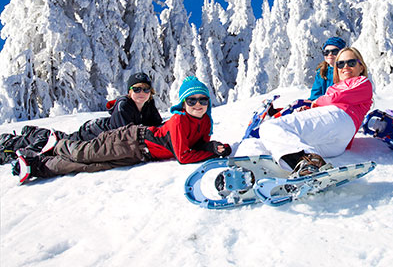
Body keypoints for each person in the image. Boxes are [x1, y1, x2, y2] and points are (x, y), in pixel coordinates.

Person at [13, 77, 231, 184]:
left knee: (90, 166)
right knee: (83, 154)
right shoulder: (179, 121)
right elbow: (183, 156)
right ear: (183, 104)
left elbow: (198, 145)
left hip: (140, 153)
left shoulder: (204, 122)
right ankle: (59, 143)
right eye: (191, 100)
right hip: (129, 139)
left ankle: (37, 166)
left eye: (202, 100)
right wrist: (211, 154)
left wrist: (214, 147)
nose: (198, 105)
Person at [236, 47, 373, 176]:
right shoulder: (337, 87)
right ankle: (243, 173)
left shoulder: (362, 81)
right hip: (335, 143)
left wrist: (316, 102)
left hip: (341, 117)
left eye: (351, 63)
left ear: (361, 67)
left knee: (270, 127)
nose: (345, 67)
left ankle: (309, 163)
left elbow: (335, 99)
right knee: (265, 142)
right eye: (340, 64)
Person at [0, 72, 163, 164]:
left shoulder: (149, 105)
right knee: (57, 144)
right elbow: (125, 135)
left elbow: (157, 126)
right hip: (93, 132)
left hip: (100, 134)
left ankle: (33, 134)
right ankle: (16, 141)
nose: (142, 93)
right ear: (129, 91)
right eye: (137, 89)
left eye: (146, 89)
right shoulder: (124, 105)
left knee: (61, 141)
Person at [308, 36, 347, 101]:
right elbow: (315, 95)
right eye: (326, 52)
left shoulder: (346, 71)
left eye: (334, 52)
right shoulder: (322, 71)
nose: (330, 54)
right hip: (321, 104)